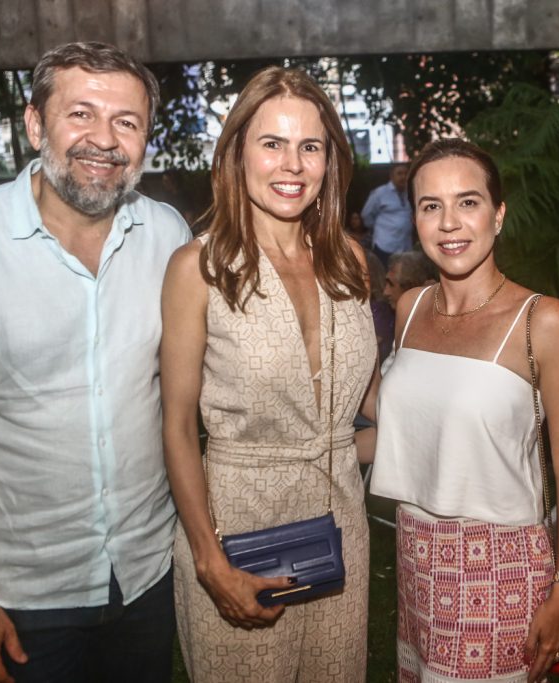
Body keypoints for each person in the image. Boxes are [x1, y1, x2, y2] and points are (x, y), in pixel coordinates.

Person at [0, 41, 191, 683]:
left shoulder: (167, 235)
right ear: (34, 124)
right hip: (20, 596)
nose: (104, 140)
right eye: (81, 114)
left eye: (127, 122)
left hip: (148, 575)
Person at [161, 66, 379, 682]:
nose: (293, 164)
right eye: (272, 143)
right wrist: (209, 560)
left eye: (310, 146)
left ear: (329, 161)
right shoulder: (197, 268)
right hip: (238, 536)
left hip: (342, 532)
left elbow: (374, 401)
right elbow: (176, 426)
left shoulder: (350, 262)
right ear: (237, 153)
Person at [371, 139, 559, 683]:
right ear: (415, 218)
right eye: (431, 206)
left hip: (499, 566)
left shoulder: (544, 321)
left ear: (498, 215)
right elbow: (404, 423)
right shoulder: (410, 307)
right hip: (416, 553)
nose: (450, 223)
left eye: (468, 202)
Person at [361, 162, 413, 265]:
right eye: (399, 173)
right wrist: (378, 228)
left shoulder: (411, 192)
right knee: (383, 278)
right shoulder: (380, 193)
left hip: (405, 247)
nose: (403, 177)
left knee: (405, 279)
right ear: (392, 176)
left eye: (406, 173)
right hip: (384, 245)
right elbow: (366, 214)